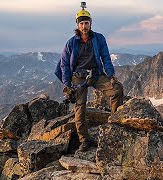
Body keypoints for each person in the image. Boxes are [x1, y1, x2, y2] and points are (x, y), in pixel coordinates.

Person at [54, 3, 124, 152]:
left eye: (86, 23)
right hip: (79, 78)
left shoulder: (99, 38)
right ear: (77, 25)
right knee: (80, 108)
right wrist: (67, 85)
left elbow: (105, 57)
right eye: (81, 23)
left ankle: (115, 127)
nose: (84, 26)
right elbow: (65, 65)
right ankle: (84, 140)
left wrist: (111, 75)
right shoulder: (71, 43)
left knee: (117, 89)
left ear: (90, 24)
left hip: (96, 74)